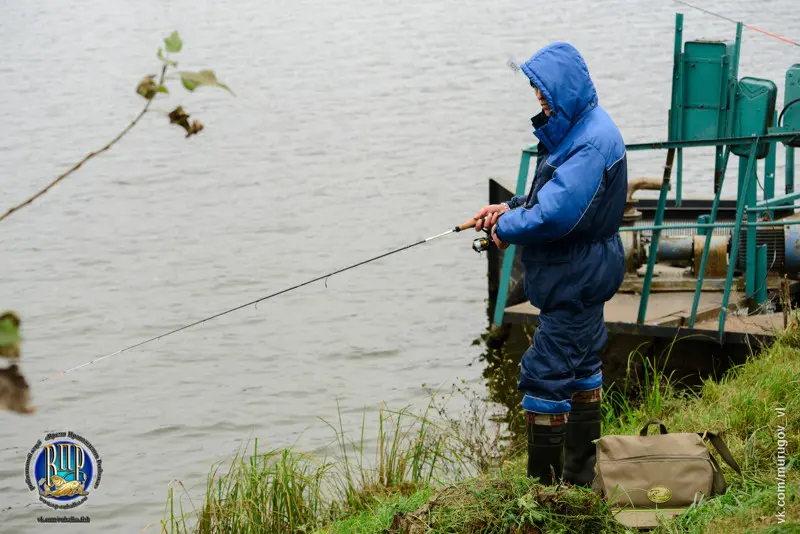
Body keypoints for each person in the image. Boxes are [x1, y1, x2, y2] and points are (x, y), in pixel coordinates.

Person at [474, 42, 627, 486]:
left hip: (576, 277)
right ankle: (580, 481)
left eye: (544, 94)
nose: (539, 102)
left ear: (565, 91)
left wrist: (509, 229)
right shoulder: (580, 131)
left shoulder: (591, 143)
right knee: (579, 369)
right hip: (579, 274)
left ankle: (543, 493)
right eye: (536, 95)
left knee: (544, 375)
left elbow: (558, 214)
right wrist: (509, 208)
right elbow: (550, 198)